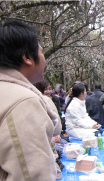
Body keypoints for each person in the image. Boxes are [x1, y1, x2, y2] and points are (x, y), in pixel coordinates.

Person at [0, 19, 58, 180]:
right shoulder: (24, 102)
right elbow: (33, 174)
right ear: (27, 57)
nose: (44, 59)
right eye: (41, 52)